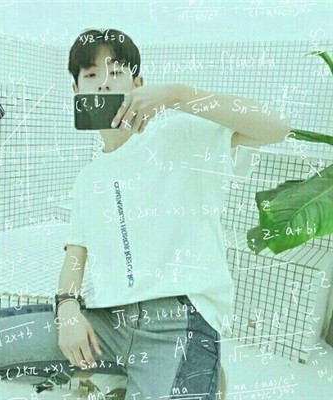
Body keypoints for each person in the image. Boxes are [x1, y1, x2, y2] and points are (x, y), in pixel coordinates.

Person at [56, 28, 291, 399]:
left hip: (179, 318)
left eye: (115, 72)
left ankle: (184, 372)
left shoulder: (181, 136)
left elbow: (277, 127)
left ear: (138, 84)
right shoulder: (88, 178)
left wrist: (179, 96)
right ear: (76, 90)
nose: (103, 83)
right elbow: (76, 252)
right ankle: (137, 375)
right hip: (112, 320)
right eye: (91, 74)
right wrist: (67, 308)